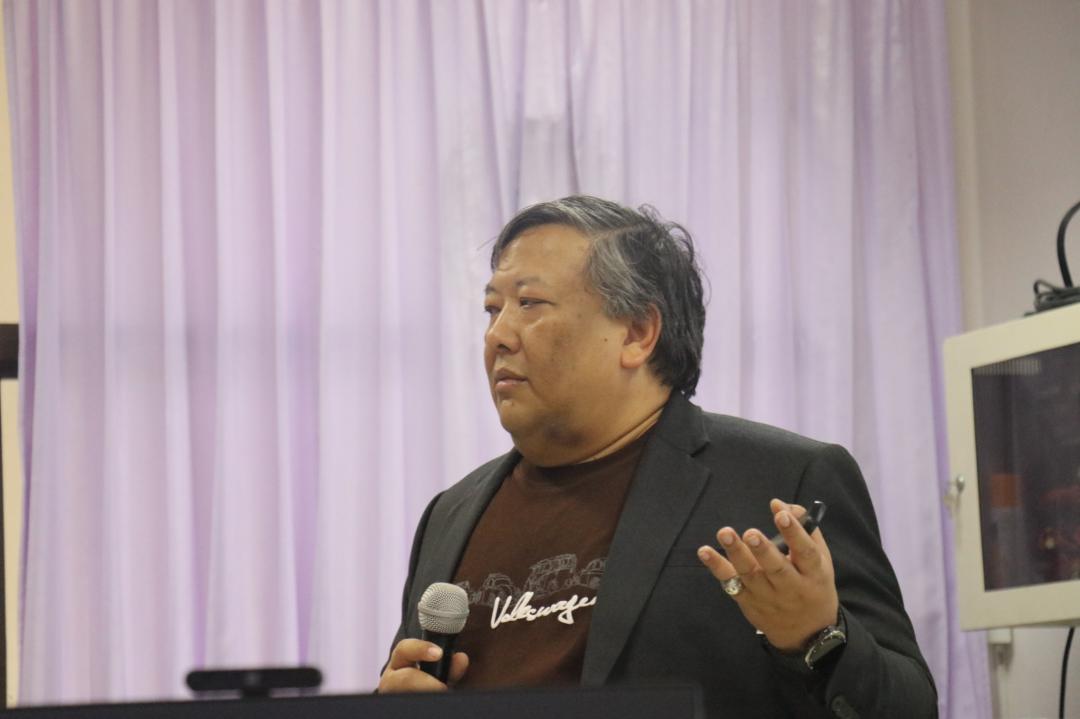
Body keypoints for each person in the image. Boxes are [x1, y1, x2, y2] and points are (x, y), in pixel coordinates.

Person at [378, 196, 937, 718]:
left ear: (638, 332)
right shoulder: (451, 514)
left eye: (529, 304)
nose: (497, 335)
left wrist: (819, 640)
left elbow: (909, 707)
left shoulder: (782, 481)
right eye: (492, 309)